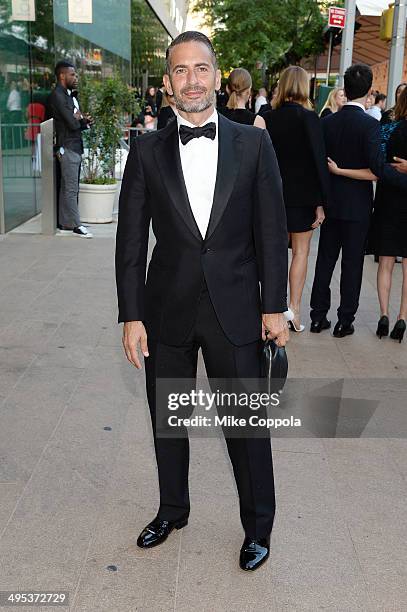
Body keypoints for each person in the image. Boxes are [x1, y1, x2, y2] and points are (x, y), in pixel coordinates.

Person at [115, 30, 289, 572]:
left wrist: (274, 307)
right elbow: (129, 242)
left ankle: (258, 527)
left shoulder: (253, 144)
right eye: (181, 70)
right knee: (168, 420)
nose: (192, 79)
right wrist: (130, 314)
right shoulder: (145, 151)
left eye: (202, 68)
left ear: (217, 76)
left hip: (235, 308)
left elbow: (272, 230)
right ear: (167, 84)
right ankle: (172, 509)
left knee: (245, 427)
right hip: (166, 308)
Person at [310, 64, 407, 337]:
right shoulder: (370, 126)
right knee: (352, 265)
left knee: (325, 262)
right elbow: (377, 171)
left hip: (330, 203)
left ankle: (317, 317)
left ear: (345, 87)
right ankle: (344, 321)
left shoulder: (326, 122)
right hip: (358, 207)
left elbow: (318, 167)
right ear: (368, 91)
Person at [262, 66, 329, 332]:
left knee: (276, 253)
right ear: (303, 86)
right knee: (300, 252)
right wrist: (322, 201)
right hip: (303, 196)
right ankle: (296, 310)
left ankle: (275, 307)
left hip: (272, 196)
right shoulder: (309, 117)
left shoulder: (268, 116)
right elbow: (318, 162)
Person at [48, 61, 93, 238]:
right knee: (70, 188)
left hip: (74, 145)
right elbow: (73, 123)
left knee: (68, 186)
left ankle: (66, 222)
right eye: (72, 74)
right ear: (62, 76)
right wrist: (79, 119)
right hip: (67, 146)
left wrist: (82, 119)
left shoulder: (68, 96)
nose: (75, 78)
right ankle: (76, 225)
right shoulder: (57, 96)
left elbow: (78, 121)